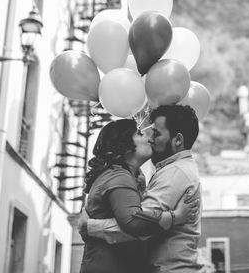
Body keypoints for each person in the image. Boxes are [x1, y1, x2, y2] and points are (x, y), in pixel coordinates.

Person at [81, 104, 205, 273]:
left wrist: (90, 226)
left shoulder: (175, 172)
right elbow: (138, 221)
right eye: (145, 133)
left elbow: (137, 227)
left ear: (177, 140)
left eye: (157, 133)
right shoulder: (130, 175)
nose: (150, 138)